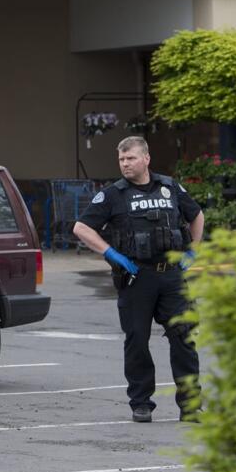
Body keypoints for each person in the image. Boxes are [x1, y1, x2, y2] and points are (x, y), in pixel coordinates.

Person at [73, 135, 204, 424]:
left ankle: (191, 405)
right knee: (137, 341)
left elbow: (197, 215)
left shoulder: (169, 187)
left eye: (130, 158)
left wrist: (193, 250)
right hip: (136, 276)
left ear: (146, 159)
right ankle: (141, 403)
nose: (125, 164)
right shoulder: (113, 194)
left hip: (171, 275)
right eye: (121, 159)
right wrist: (112, 255)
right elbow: (81, 228)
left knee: (184, 338)